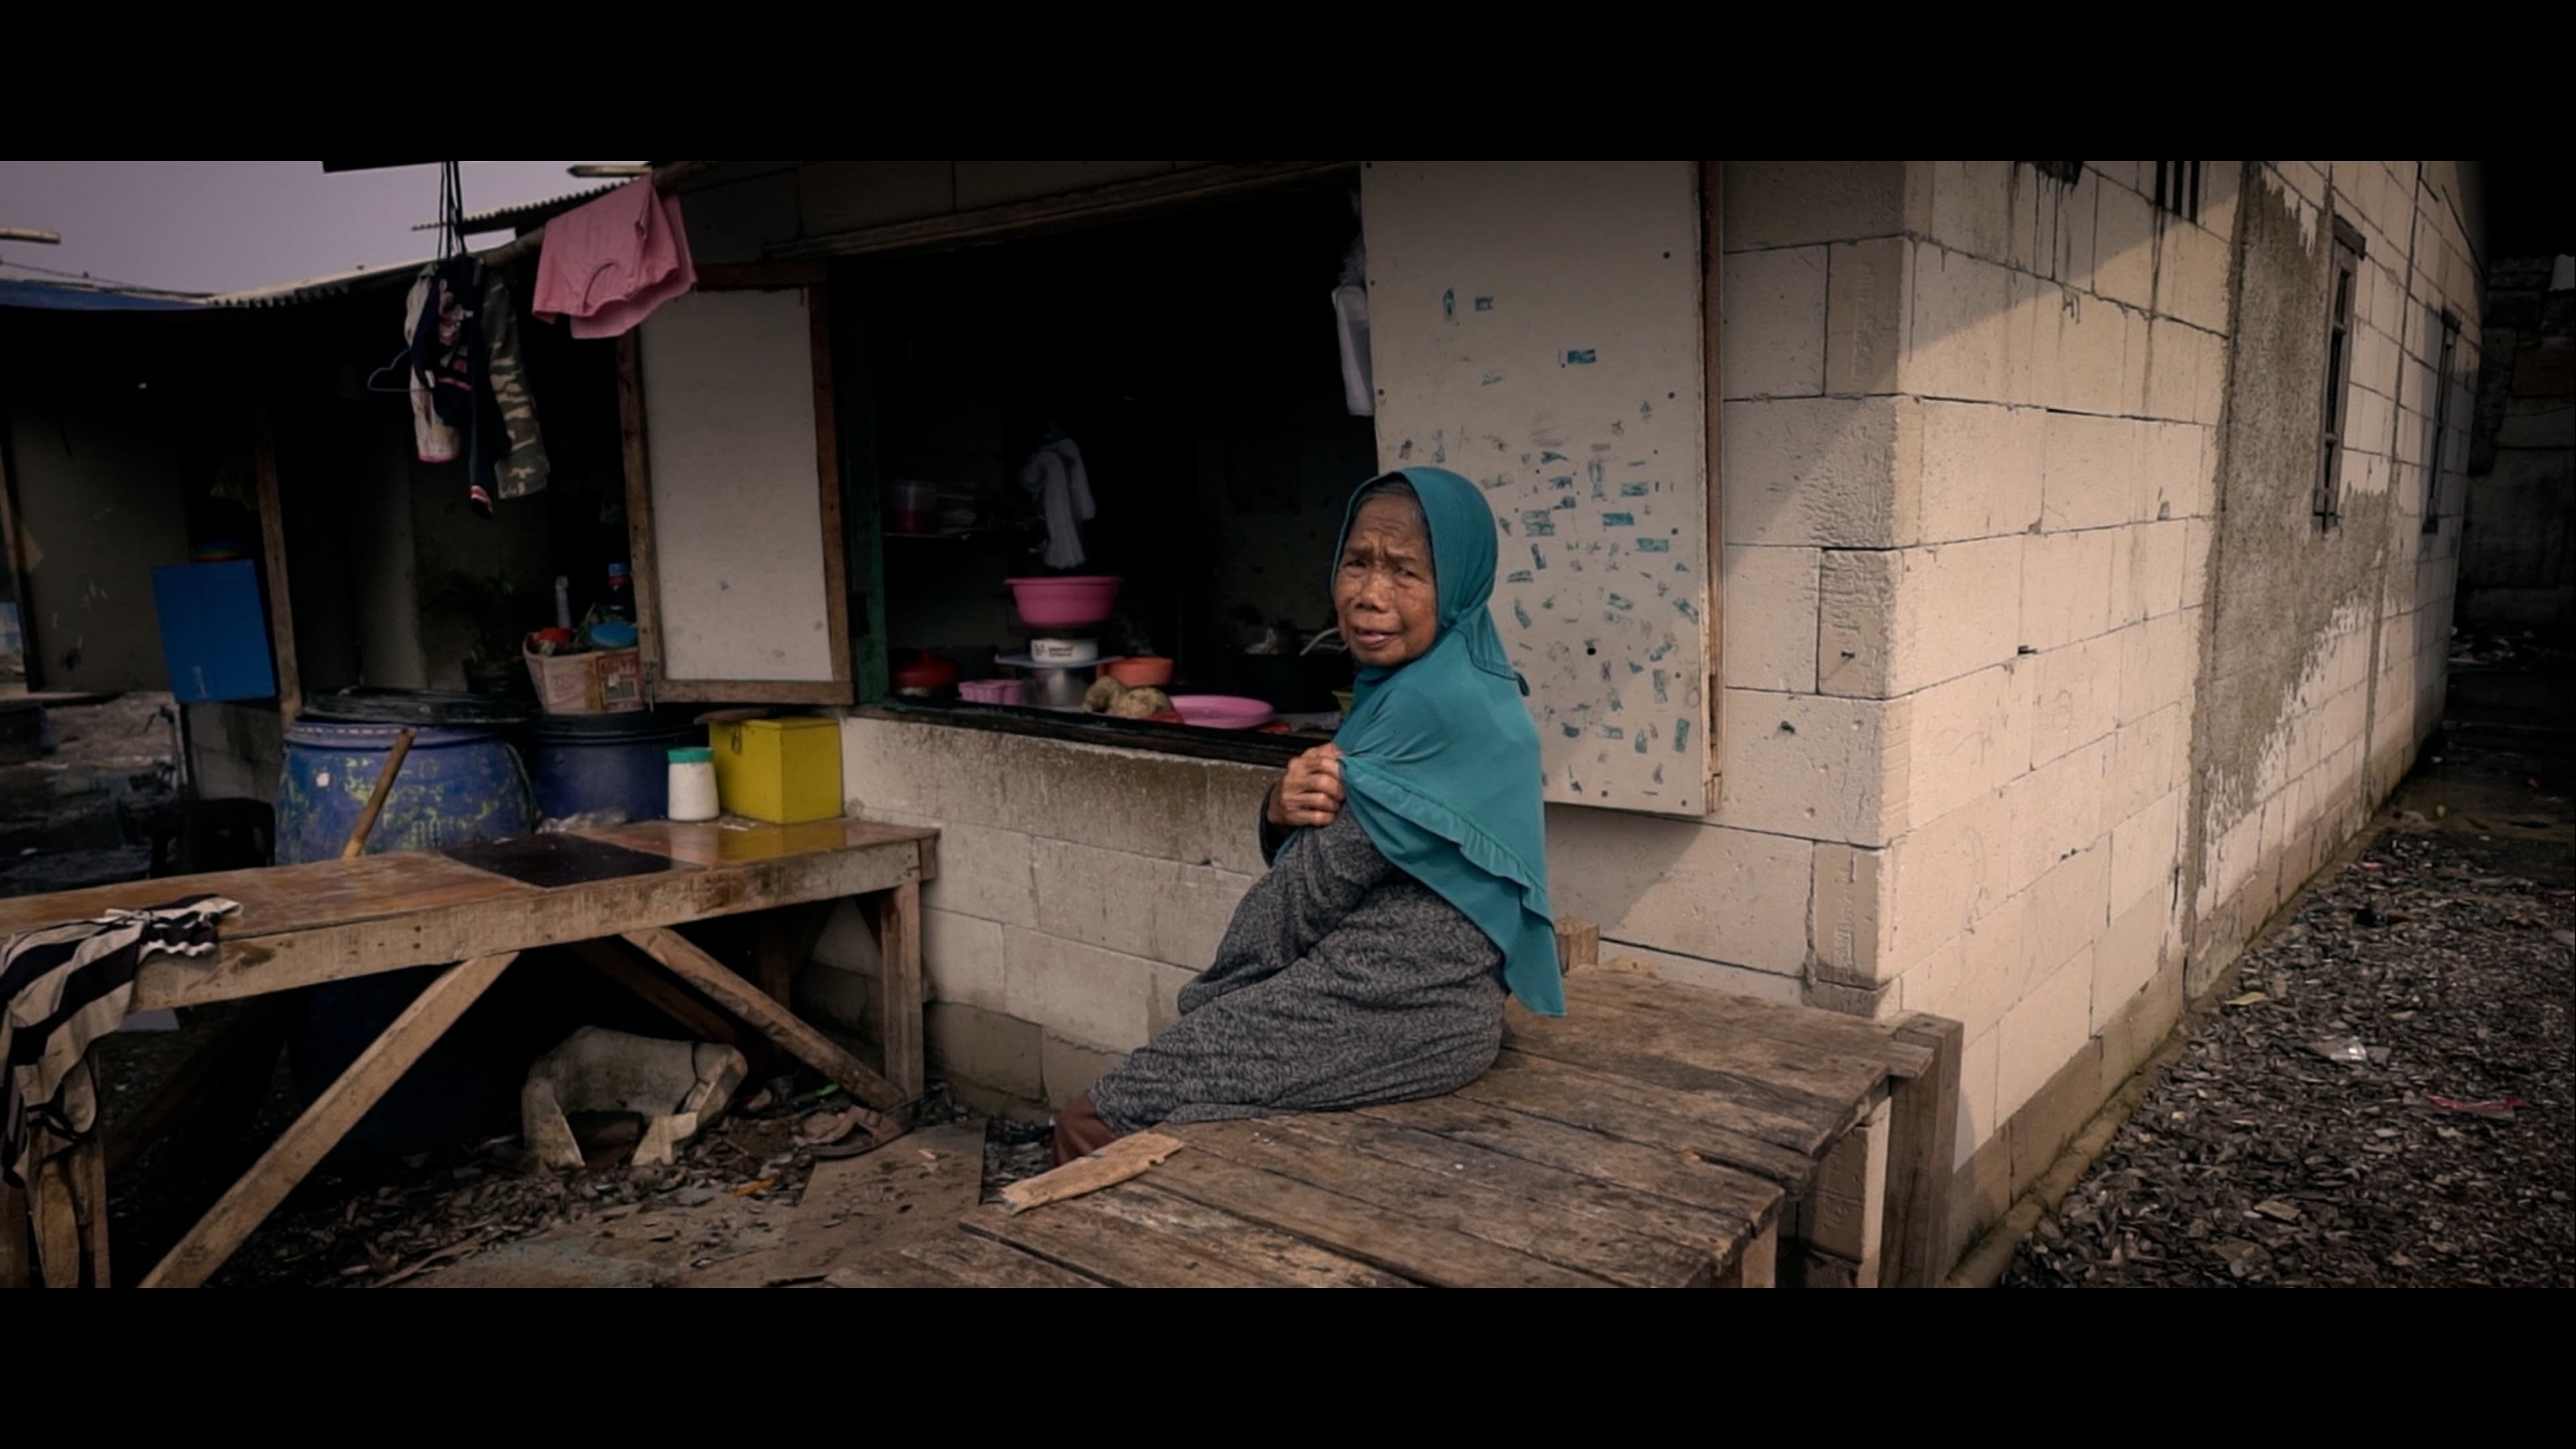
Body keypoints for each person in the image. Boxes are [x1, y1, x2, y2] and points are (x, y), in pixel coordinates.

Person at [1051, 466, 1562, 1167]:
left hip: (1389, 1006)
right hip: (1431, 1011)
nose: (1369, 595)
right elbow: (1358, 850)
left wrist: (1212, 1001)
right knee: (1191, 1121)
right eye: (1357, 563)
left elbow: (1308, 890)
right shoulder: (1446, 680)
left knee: (1095, 1120)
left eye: (1405, 571)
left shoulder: (1427, 706)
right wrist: (1276, 809)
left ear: (1459, 585)